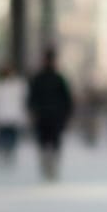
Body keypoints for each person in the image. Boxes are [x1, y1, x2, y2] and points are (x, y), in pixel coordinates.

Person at [27, 46, 74, 180]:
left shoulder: (57, 78)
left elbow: (67, 99)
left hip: (54, 116)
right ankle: (47, 166)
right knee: (46, 143)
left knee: (53, 143)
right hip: (45, 116)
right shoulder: (42, 78)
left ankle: (51, 167)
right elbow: (32, 98)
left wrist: (66, 114)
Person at [0, 64, 28, 166]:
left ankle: (9, 153)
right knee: (1, 136)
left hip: (13, 116)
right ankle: (2, 152)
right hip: (1, 116)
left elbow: (23, 98)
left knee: (12, 136)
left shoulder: (18, 83)